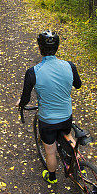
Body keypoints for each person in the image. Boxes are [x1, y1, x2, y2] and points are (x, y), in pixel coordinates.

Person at [17, 29, 82, 185]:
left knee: (50, 151)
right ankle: (80, 166)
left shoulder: (32, 72)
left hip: (47, 121)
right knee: (69, 137)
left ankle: (52, 177)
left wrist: (21, 104)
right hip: (66, 115)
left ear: (40, 49)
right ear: (57, 48)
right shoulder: (70, 66)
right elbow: (78, 85)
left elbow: (25, 98)